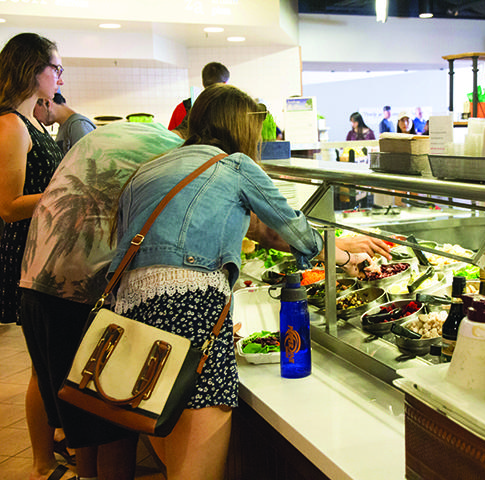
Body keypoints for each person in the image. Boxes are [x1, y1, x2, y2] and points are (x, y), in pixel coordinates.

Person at [108, 83, 373, 480]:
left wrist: (337, 250)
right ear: (244, 129)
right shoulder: (235, 165)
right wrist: (347, 255)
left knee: (169, 449)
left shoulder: (152, 167)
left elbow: (262, 232)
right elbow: (295, 231)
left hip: (129, 309)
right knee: (198, 470)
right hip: (190, 307)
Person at [20, 121, 188, 480]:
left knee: (83, 417)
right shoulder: (178, 153)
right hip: (80, 288)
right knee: (112, 422)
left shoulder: (131, 133)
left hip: (37, 277)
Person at [0, 32, 70, 480]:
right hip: (26, 258)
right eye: (56, 68)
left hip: (43, 254)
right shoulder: (9, 125)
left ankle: (53, 450)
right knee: (40, 367)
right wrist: (65, 193)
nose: (61, 76)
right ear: (32, 70)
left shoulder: (33, 121)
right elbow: (8, 205)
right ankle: (42, 466)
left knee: (47, 364)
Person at [168, 61, 229, 131]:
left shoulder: (182, 108)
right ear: (225, 83)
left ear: (203, 82)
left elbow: (170, 137)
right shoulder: (232, 108)